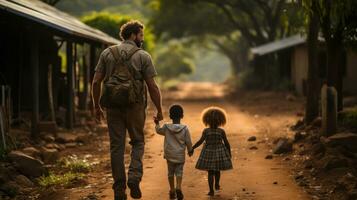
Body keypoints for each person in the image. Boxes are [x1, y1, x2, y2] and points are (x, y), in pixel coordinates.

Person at [91, 20, 163, 200]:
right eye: (141, 35)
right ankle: (134, 177)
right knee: (138, 142)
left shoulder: (107, 53)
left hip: (112, 107)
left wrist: (96, 106)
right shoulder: (143, 56)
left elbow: (95, 81)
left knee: (117, 147)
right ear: (133, 35)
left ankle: (118, 189)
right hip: (135, 106)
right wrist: (160, 109)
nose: (142, 39)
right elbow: (152, 86)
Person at [189, 107, 233, 196]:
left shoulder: (206, 131)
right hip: (219, 152)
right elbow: (227, 143)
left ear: (207, 120)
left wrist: (192, 148)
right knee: (217, 170)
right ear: (220, 120)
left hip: (208, 153)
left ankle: (211, 190)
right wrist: (229, 153)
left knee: (210, 172)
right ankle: (216, 184)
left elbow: (200, 141)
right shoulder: (221, 131)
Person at [154, 104, 193, 200]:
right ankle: (178, 187)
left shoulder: (166, 127)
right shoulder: (185, 128)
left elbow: (158, 130)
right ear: (182, 116)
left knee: (170, 172)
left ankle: (172, 190)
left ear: (170, 116)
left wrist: (157, 123)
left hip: (169, 154)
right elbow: (188, 141)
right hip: (180, 155)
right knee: (179, 172)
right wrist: (190, 150)